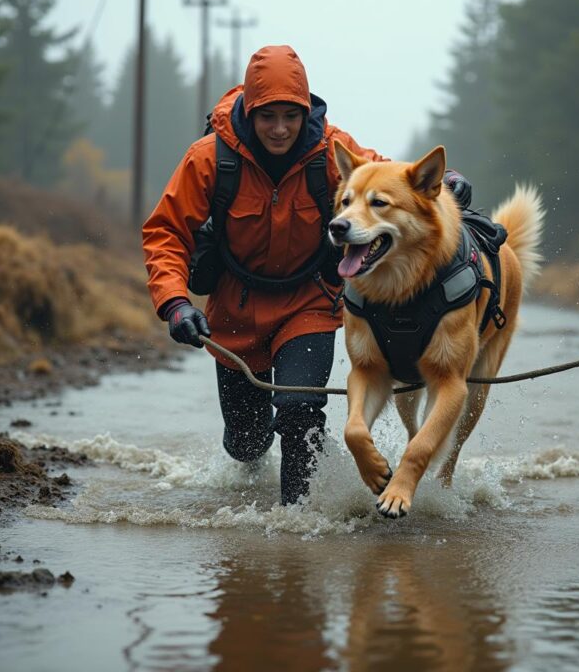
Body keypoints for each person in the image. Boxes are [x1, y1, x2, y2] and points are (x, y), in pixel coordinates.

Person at [142, 45, 470, 505]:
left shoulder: (329, 150)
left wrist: (445, 179)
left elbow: (390, 173)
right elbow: (165, 231)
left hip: (309, 305)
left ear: (306, 110)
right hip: (234, 313)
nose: (280, 128)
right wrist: (175, 303)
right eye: (268, 116)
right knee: (246, 442)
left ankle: (297, 524)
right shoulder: (208, 158)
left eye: (291, 116)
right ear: (249, 113)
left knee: (299, 411)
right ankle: (254, 464)